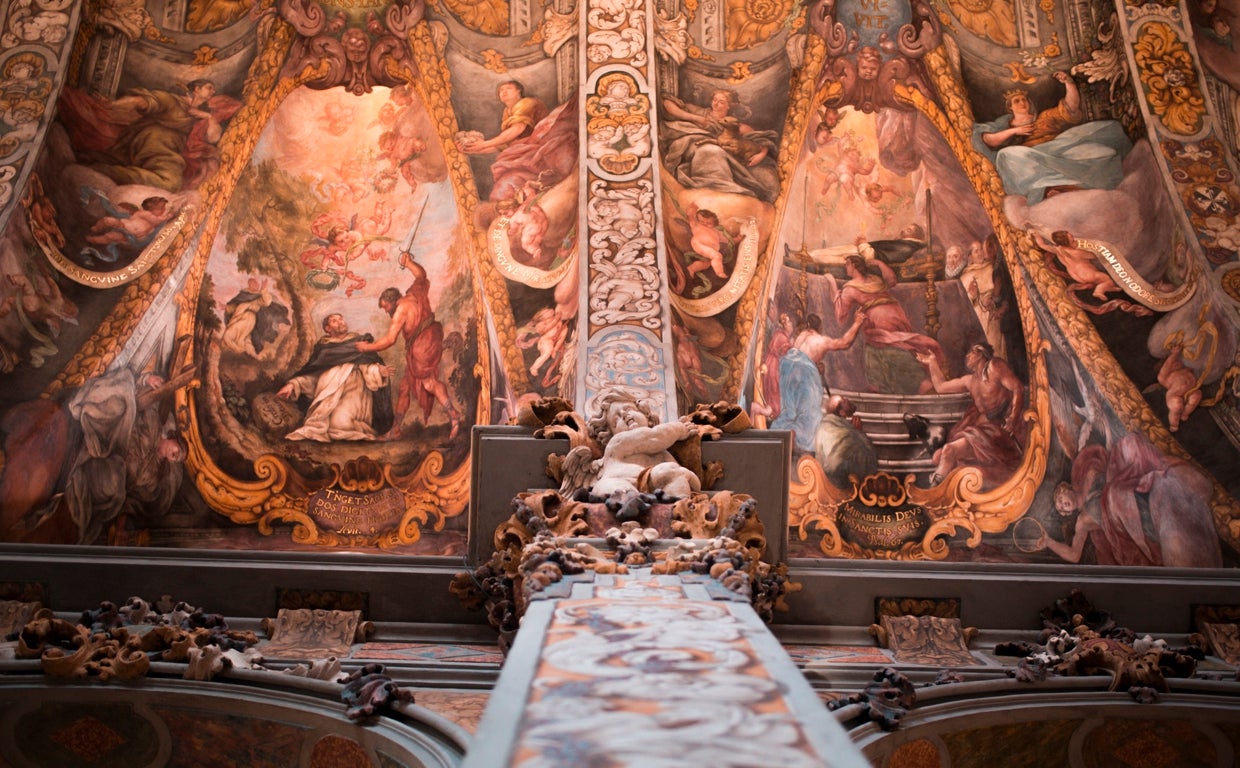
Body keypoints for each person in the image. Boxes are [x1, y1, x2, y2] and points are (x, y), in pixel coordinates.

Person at [1036, 433, 1222, 567]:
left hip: (1134, 490)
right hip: (1136, 526)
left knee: (1128, 448)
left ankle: (1162, 476)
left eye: (1060, 500)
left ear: (1065, 489)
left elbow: (1109, 456)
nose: (1062, 506)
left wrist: (1107, 425)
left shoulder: (1088, 476)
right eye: (1062, 509)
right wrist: (1048, 542)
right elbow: (1074, 555)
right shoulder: (1082, 521)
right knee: (1116, 496)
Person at [972, 71, 1132, 204]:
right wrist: (1014, 131)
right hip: (1027, 162)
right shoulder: (1004, 125)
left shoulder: (1045, 117)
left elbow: (1070, 107)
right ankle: (1053, 187)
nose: (1021, 103)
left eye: (1024, 99)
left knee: (1102, 152)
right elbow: (987, 140)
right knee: (1006, 155)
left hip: (1057, 151)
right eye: (1016, 101)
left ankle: (1068, 185)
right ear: (1010, 107)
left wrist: (1069, 83)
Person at [59, 79, 241, 192]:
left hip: (168, 149)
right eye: (209, 87)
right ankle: (100, 170)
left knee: (172, 183)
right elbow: (142, 101)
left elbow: (214, 138)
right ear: (196, 89)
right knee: (170, 183)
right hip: (154, 143)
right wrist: (112, 107)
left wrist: (208, 117)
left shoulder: (202, 114)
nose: (213, 92)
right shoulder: (173, 101)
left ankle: (101, 169)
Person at [357, 251, 461, 440]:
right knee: (405, 386)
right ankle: (395, 430)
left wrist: (366, 348)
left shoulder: (400, 311)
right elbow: (422, 276)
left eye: (385, 307)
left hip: (421, 347)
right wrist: (409, 262)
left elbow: (390, 340)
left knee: (429, 383)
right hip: (432, 337)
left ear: (392, 301)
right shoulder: (414, 293)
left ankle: (454, 415)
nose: (386, 311)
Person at [828, 251, 945, 393]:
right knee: (899, 345)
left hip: (879, 320)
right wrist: (880, 264)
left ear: (853, 265)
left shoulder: (850, 288)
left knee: (886, 349)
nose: (845, 268)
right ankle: (898, 385)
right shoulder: (875, 279)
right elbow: (892, 280)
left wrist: (833, 288)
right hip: (896, 314)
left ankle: (914, 384)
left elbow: (840, 315)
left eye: (847, 264)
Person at [915, 342, 1024, 486]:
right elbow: (941, 387)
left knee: (948, 451)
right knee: (938, 456)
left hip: (1000, 431)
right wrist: (932, 363)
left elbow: (1017, 388)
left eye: (971, 353)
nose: (967, 356)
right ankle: (943, 484)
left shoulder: (995, 366)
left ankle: (936, 487)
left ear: (980, 353)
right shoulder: (970, 380)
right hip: (983, 431)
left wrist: (1013, 417)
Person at [277, 313, 394, 442]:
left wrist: (378, 371)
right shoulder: (324, 349)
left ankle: (365, 428)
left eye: (341, 319)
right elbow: (314, 374)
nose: (340, 322)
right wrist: (293, 385)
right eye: (334, 321)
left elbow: (367, 366)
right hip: (330, 393)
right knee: (329, 425)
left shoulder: (359, 343)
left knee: (340, 426)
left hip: (354, 392)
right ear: (327, 328)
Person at [660, 88, 780, 202]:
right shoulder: (699, 112)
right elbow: (666, 103)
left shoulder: (734, 124)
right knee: (711, 150)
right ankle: (709, 187)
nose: (716, 104)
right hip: (692, 147)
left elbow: (761, 139)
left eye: (721, 102)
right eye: (714, 100)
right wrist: (695, 118)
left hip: (722, 156)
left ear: (729, 106)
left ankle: (723, 191)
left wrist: (761, 155)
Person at [771, 312, 866, 453]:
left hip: (787, 371)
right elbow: (845, 343)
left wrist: (814, 365)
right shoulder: (821, 340)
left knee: (789, 411)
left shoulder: (801, 335)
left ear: (808, 325)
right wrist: (857, 322)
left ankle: (777, 438)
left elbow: (800, 356)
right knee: (809, 414)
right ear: (820, 327)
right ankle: (804, 447)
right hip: (804, 375)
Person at [587, 392, 706, 500]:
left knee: (670, 470)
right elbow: (654, 437)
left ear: (647, 416)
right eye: (615, 420)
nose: (623, 414)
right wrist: (679, 429)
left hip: (650, 484)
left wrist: (686, 478)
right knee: (610, 487)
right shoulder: (616, 443)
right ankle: (628, 502)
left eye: (628, 408)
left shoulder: (662, 455)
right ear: (610, 435)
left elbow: (684, 476)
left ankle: (678, 506)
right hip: (618, 481)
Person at [455, 80, 548, 156]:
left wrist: (484, 144)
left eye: (508, 88)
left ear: (518, 91)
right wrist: (471, 149)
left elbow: (517, 129)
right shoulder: (507, 111)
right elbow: (504, 144)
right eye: (501, 90)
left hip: (543, 144)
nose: (504, 92)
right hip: (526, 147)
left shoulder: (527, 103)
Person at [815, 395, 877, 489]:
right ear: (842, 412)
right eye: (843, 401)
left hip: (829, 476)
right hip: (840, 480)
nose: (846, 399)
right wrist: (858, 432)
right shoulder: (845, 431)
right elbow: (868, 458)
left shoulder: (827, 424)